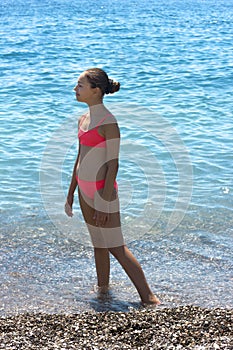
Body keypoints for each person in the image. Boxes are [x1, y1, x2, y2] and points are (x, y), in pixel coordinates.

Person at [65, 68, 160, 306]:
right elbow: (79, 158)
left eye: (80, 86)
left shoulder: (109, 123)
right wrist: (70, 193)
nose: (75, 89)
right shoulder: (82, 119)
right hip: (83, 192)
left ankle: (149, 298)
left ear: (96, 91)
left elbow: (113, 165)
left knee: (116, 246)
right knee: (98, 245)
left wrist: (104, 200)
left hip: (101, 192)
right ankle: (103, 292)